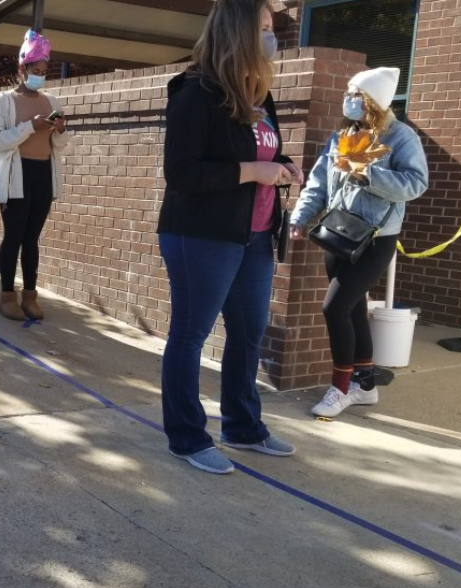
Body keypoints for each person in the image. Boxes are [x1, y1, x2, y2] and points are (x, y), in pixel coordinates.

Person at [158, 0, 302, 475]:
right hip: (202, 235)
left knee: (248, 334)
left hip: (256, 236)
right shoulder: (195, 91)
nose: (272, 36)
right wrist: (253, 170)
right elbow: (181, 173)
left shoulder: (260, 93)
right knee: (191, 335)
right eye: (263, 27)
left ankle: (242, 426)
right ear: (238, 32)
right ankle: (187, 436)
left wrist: (283, 169)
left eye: (271, 27)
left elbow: (266, 156)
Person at [289, 67, 428, 418]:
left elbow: (416, 184)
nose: (348, 99)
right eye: (349, 92)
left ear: (373, 102)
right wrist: (300, 218)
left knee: (333, 307)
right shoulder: (342, 136)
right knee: (352, 309)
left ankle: (340, 388)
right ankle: (364, 385)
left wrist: (367, 172)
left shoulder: (401, 137)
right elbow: (319, 183)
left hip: (375, 238)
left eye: (355, 94)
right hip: (337, 231)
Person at [0, 30, 70, 321]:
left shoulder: (51, 100)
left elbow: (58, 145)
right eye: (35, 71)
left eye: (44, 72)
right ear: (22, 69)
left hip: (43, 174)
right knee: (14, 236)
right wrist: (29, 127)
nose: (40, 77)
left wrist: (59, 131)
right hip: (15, 177)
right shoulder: (4, 101)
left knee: (32, 239)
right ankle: (7, 296)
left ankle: (29, 296)